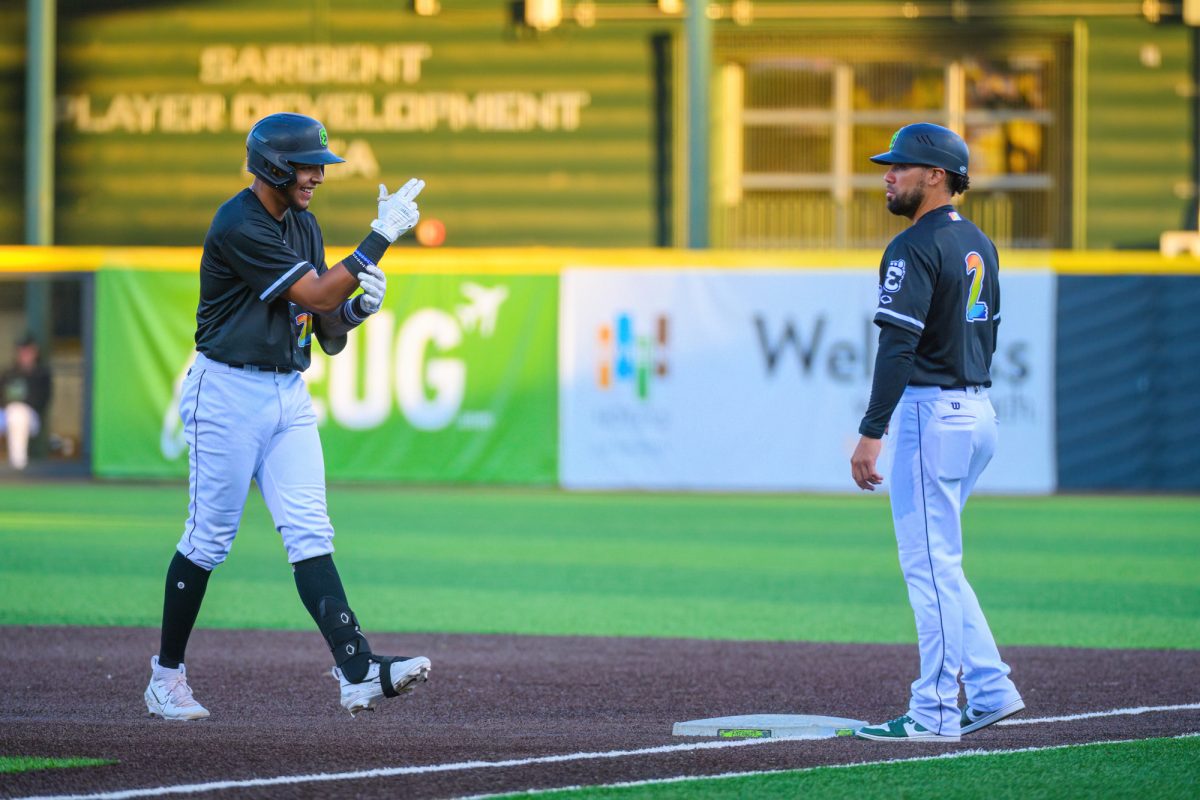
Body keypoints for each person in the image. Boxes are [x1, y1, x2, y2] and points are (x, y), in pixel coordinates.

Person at [144, 112, 431, 721]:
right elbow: (317, 294)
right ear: (274, 165)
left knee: (310, 532)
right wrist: (377, 240)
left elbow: (327, 329)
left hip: (286, 394)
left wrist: (358, 311)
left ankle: (356, 671)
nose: (317, 178)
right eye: (308, 166)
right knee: (207, 539)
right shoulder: (239, 222)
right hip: (225, 392)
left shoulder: (303, 224)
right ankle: (165, 676)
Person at [849, 123, 1024, 742]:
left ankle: (935, 713)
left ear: (937, 176)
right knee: (942, 563)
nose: (888, 175)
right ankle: (991, 689)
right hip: (977, 413)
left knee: (928, 567)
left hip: (932, 416)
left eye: (901, 165)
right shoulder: (979, 242)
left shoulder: (912, 245)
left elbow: (899, 344)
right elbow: (991, 332)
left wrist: (873, 430)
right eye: (888, 165)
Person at [0, 333, 53, 470]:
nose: (24, 354)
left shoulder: (41, 374)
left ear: (34, 351)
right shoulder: (9, 373)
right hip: (5, 413)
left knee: (18, 413)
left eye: (27, 350)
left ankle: (18, 466)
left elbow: (43, 401)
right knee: (13, 411)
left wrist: (18, 404)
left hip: (29, 417)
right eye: (21, 350)